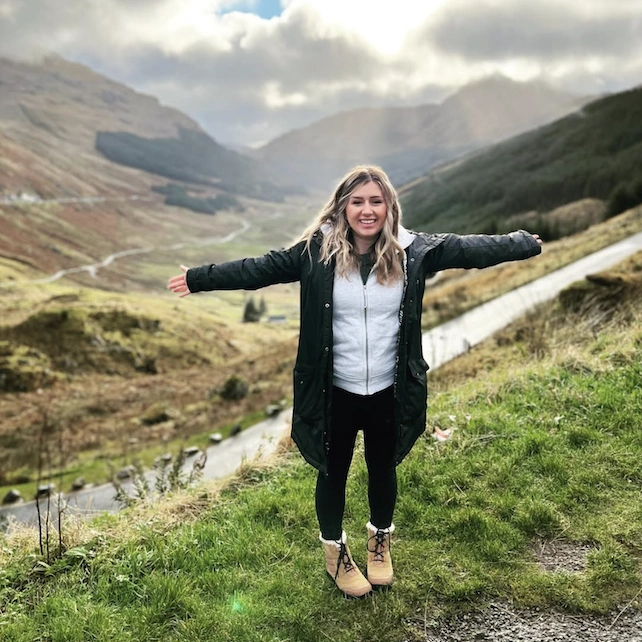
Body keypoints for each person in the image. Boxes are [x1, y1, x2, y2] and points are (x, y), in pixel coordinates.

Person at [167, 165, 543, 598]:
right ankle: (336, 553)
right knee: (333, 472)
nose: (367, 211)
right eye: (358, 201)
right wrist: (199, 278)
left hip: (389, 387)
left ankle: (380, 541)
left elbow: (469, 248)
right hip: (334, 392)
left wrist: (521, 244)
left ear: (389, 207)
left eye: (376, 201)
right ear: (343, 207)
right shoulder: (315, 253)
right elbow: (257, 270)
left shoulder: (413, 252)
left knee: (383, 468)